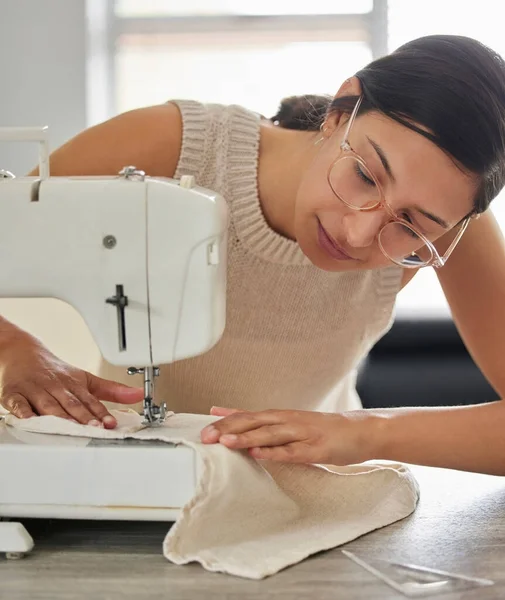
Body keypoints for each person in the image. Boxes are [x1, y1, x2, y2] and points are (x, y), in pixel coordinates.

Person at [2, 35, 505, 476]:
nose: (357, 233)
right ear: (338, 113)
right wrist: (13, 348)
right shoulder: (171, 146)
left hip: (306, 499)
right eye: (366, 176)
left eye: (409, 225)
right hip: (120, 476)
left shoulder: (448, 224)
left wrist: (366, 433)